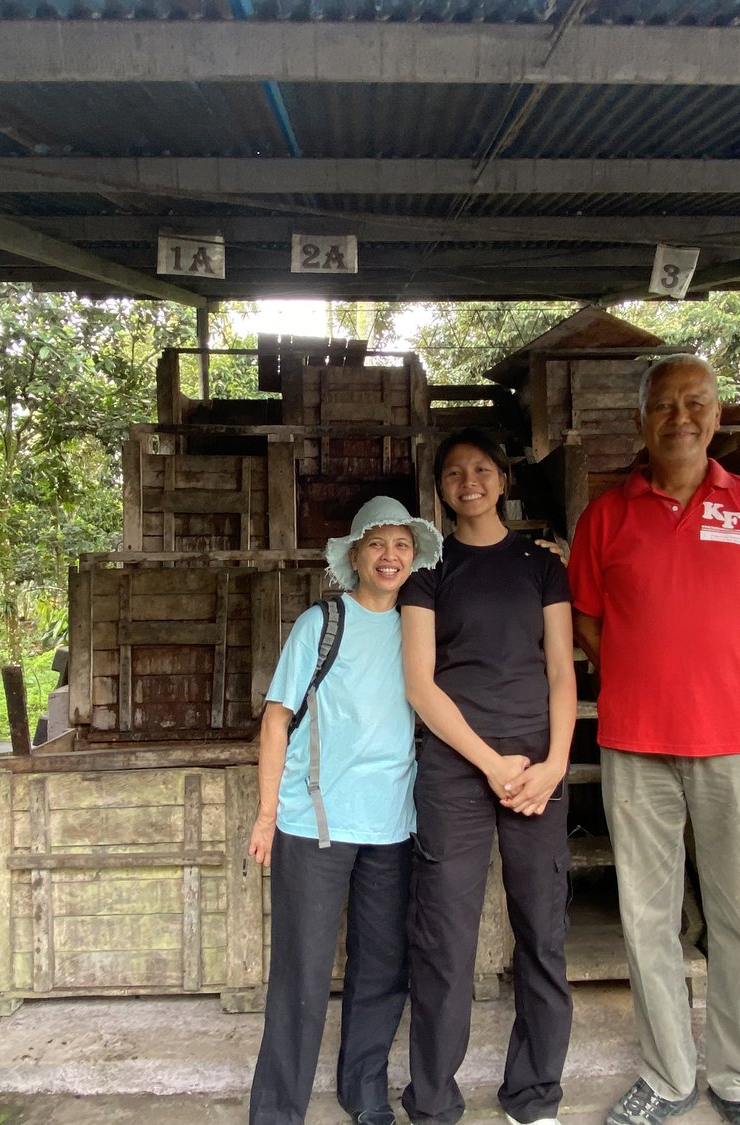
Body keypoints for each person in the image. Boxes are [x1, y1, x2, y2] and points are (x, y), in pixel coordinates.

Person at [569, 355, 740, 1125]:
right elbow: (590, 623)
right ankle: (667, 1075)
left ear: (718, 413)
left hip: (738, 738)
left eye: (695, 402)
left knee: (738, 918)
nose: (680, 417)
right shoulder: (605, 516)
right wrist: (646, 673)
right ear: (640, 420)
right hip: (637, 743)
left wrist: (710, 671)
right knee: (648, 918)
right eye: (664, 405)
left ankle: (739, 1076)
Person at [398, 427, 577, 1125]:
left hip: (538, 765)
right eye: (452, 472)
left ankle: (534, 1095)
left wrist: (555, 762)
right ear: (439, 489)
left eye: (479, 469)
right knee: (446, 934)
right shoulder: (428, 570)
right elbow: (420, 684)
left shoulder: (541, 565)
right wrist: (489, 761)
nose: (467, 480)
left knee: (543, 929)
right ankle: (435, 1100)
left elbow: (562, 671)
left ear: (502, 479)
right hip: (456, 766)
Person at [247, 495, 443, 1125]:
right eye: (378, 544)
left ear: (414, 558)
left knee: (382, 968)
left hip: (391, 824)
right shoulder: (320, 624)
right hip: (315, 825)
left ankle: (364, 1093)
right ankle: (278, 1111)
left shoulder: (421, 627)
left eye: (402, 546)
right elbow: (276, 722)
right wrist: (265, 813)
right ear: (355, 554)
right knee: (300, 975)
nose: (391, 556)